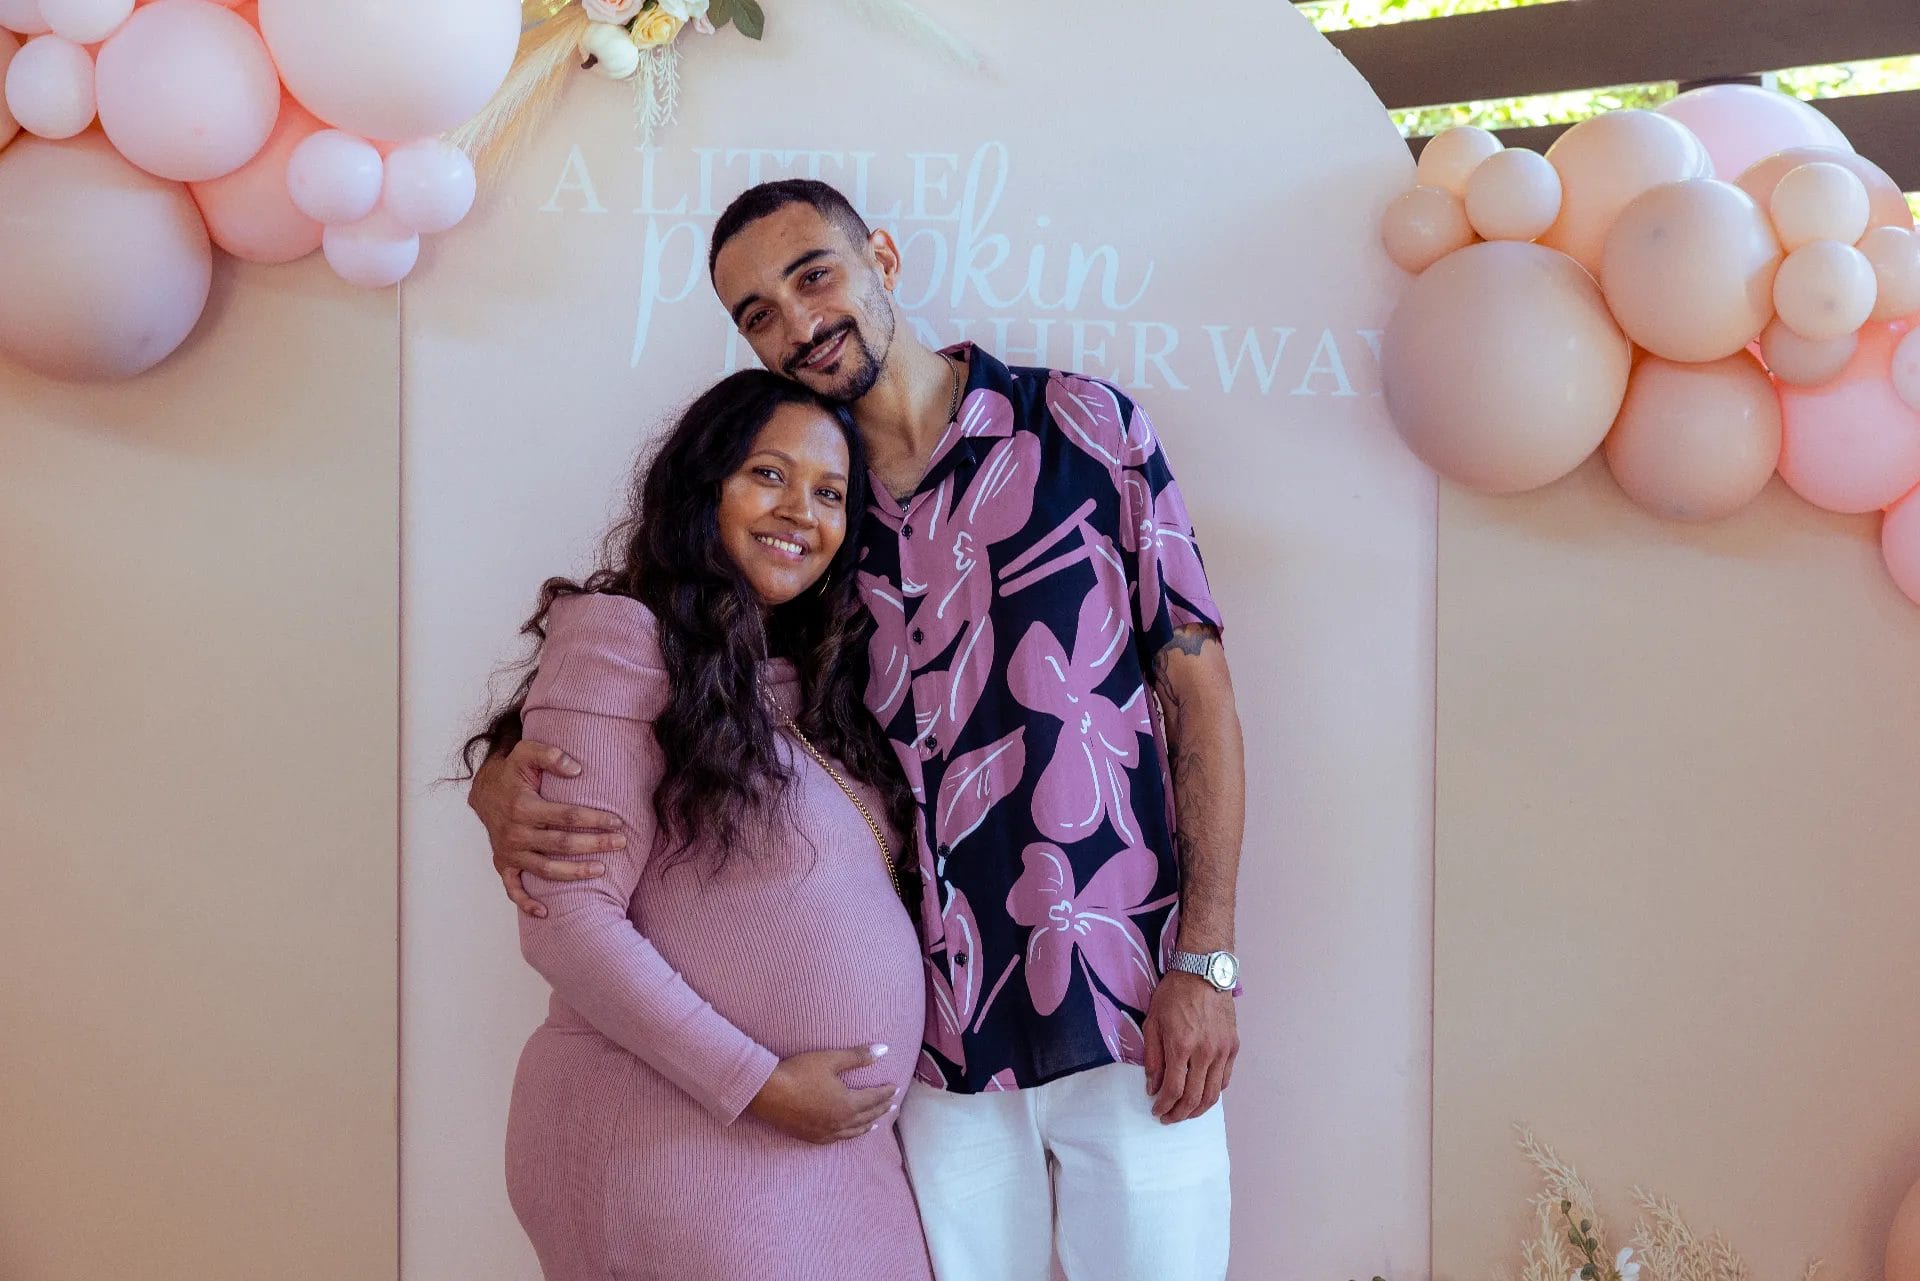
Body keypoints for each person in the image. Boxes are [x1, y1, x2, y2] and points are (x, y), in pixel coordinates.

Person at [471, 180, 1247, 1281]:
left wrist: (1206, 962)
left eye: (811, 277)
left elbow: (1196, 694)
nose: (794, 323)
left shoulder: (1085, 428)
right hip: (936, 1052)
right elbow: (677, 676)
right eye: (755, 313)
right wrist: (503, 772)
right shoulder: (813, 515)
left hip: (1123, 1001)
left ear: (879, 255)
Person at [464, 371, 933, 1281]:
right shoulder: (620, 641)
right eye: (769, 473)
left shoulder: (809, 680)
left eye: (830, 493)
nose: (800, 510)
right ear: (702, 484)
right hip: (686, 1136)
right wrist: (755, 1082)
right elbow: (567, 922)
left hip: (821, 1163)